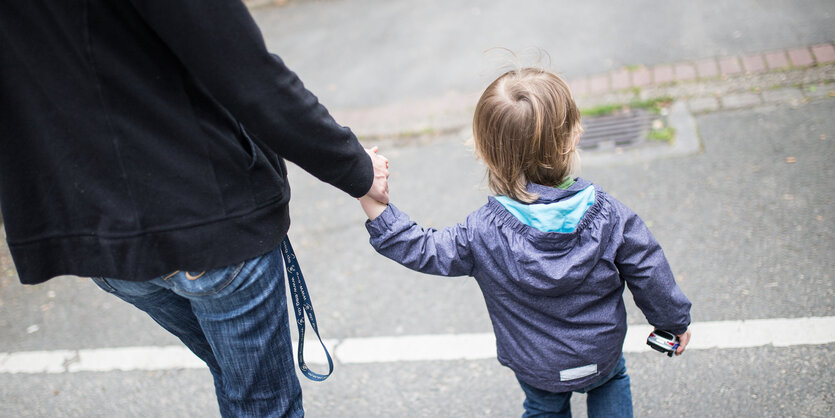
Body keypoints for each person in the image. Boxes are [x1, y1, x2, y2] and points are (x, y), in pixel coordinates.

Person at [0, 1, 388, 417]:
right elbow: (248, 74)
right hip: (207, 218)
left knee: (235, 379)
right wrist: (356, 168)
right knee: (259, 403)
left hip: (98, 234)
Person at [359, 68, 692, 417]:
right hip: (600, 354)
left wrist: (367, 190)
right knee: (611, 383)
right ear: (573, 138)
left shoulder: (480, 233)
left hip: (536, 364)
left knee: (543, 408)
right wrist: (673, 323)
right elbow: (649, 270)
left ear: (486, 153)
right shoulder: (611, 217)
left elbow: (422, 248)